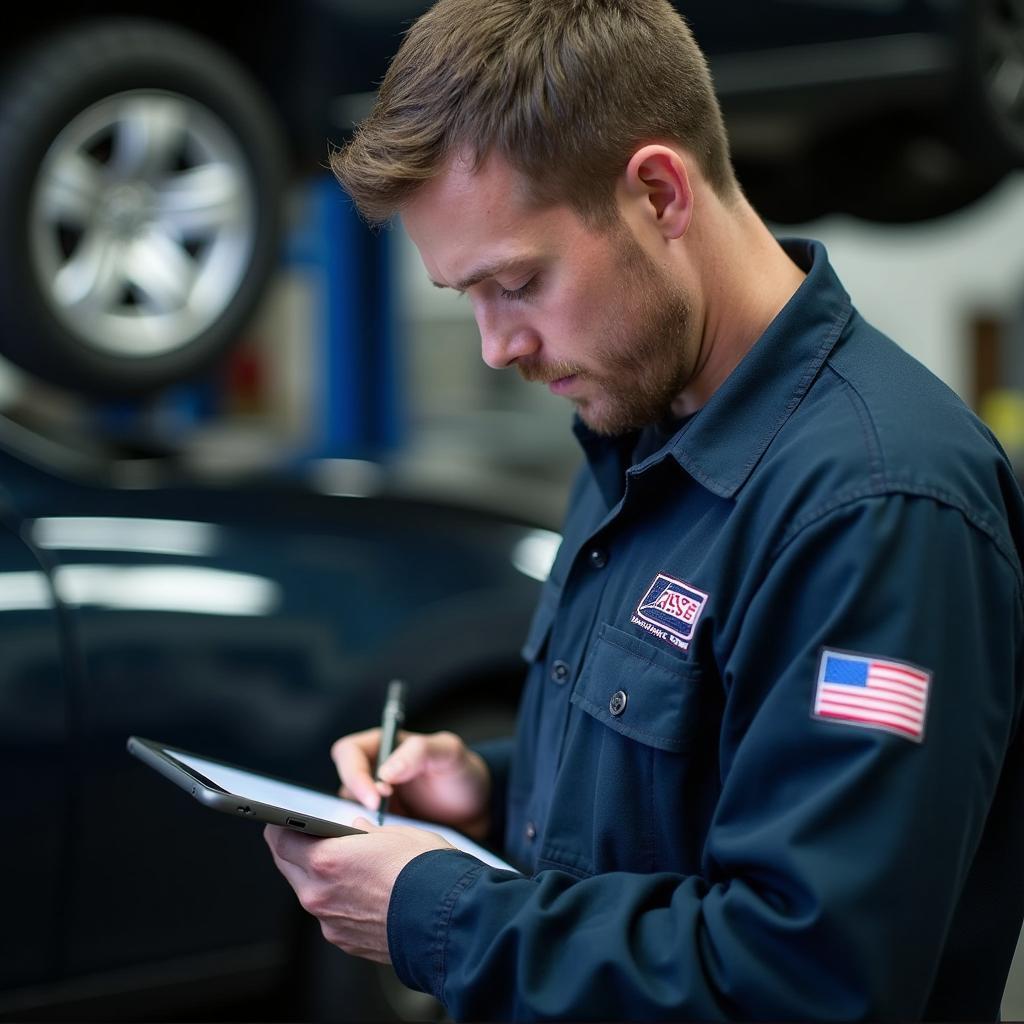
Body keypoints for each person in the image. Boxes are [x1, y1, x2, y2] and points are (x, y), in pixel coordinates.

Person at [263, 1, 1024, 1019]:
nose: (498, 346)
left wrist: (442, 914)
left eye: (517, 283)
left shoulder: (877, 508)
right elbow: (697, 780)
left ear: (659, 193)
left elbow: (807, 978)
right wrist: (489, 791)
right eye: (467, 298)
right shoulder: (636, 420)